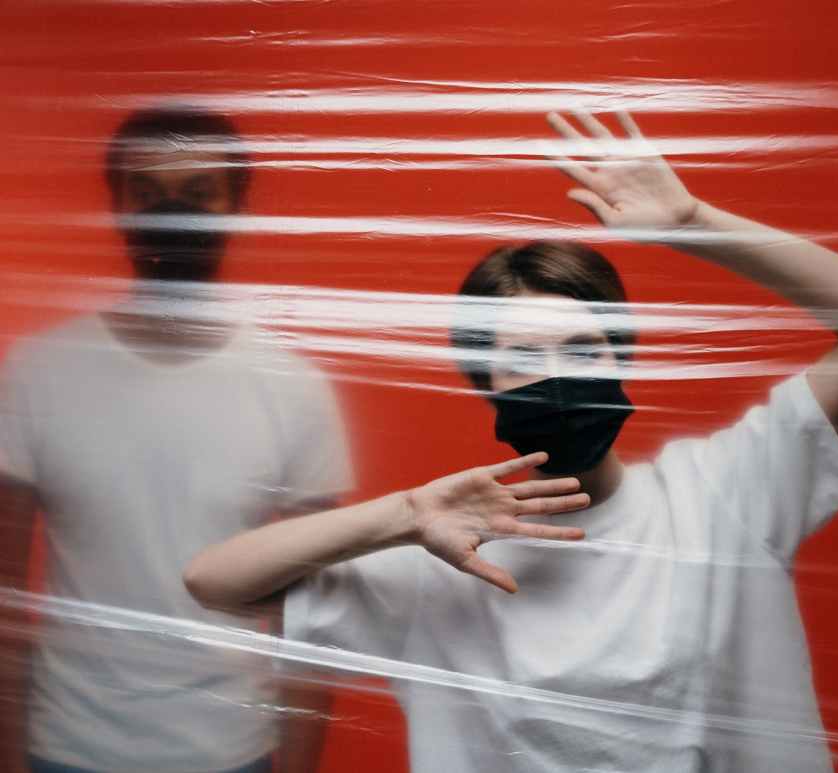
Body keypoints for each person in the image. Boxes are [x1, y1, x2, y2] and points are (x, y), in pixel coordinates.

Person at [184, 110, 838, 772]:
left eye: (583, 349)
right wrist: (405, 514)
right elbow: (214, 582)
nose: (557, 377)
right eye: (523, 358)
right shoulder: (445, 551)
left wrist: (695, 224)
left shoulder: (724, 495)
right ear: (485, 385)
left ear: (624, 358)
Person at [0, 105, 588, 773]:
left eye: (198, 192)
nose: (172, 211)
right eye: (149, 190)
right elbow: (4, 587)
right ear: (117, 203)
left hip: (231, 751)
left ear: (236, 206)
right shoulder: (39, 372)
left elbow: (314, 615)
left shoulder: (292, 388)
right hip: (65, 746)